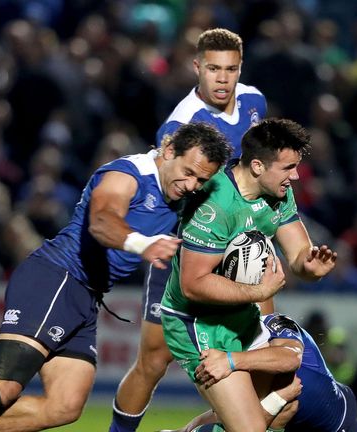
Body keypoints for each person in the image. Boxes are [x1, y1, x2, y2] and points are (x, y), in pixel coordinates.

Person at [0, 122, 231, 432]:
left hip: (87, 295)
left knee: (64, 406)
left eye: (200, 180)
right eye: (188, 172)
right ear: (168, 150)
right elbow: (101, 221)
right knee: (5, 384)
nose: (191, 185)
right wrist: (143, 243)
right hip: (57, 277)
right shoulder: (127, 175)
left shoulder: (181, 195)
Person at [111, 27, 267, 432]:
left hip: (238, 250)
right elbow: (170, 191)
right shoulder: (180, 126)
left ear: (240, 69)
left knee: (258, 346)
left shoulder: (254, 102)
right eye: (212, 68)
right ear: (196, 67)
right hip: (186, 255)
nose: (222, 78)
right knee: (154, 360)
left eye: (230, 69)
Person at [160, 118, 337, 432]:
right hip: (199, 324)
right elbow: (193, 285)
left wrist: (311, 269)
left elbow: (299, 256)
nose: (295, 176)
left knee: (283, 409)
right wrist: (258, 293)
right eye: (288, 167)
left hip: (243, 316)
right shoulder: (215, 206)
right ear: (257, 165)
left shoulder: (278, 193)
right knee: (251, 427)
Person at [162, 313, 357, 432]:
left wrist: (231, 361)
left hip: (335, 417)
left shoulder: (277, 328)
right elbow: (231, 411)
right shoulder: (248, 351)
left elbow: (281, 402)